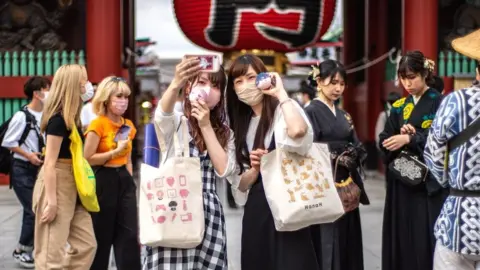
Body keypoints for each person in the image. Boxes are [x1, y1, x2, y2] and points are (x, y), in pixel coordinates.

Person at [144, 57, 237, 269]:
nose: (208, 90)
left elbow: (224, 169)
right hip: (173, 209)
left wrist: (205, 126)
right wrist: (176, 81)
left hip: (208, 215)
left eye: (215, 85)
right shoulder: (177, 122)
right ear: (189, 88)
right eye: (202, 82)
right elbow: (161, 115)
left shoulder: (224, 132)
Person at [225, 54, 315, 270]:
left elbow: (298, 131)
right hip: (258, 207)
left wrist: (281, 93)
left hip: (289, 201)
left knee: (291, 261)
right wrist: (255, 169)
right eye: (238, 82)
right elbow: (240, 184)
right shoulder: (239, 125)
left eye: (250, 78)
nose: (245, 86)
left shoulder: (284, 109)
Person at [379, 51, 448, 270]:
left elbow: (445, 139)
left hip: (426, 184)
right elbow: (384, 138)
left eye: (412, 77)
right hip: (401, 181)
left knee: (423, 235)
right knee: (402, 235)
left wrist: (411, 137)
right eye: (403, 77)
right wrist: (395, 139)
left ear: (425, 74)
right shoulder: (399, 106)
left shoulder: (440, 102)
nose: (407, 83)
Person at [305, 60, 369, 270]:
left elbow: (358, 144)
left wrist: (354, 152)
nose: (338, 88)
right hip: (323, 184)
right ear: (319, 81)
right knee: (326, 237)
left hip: (345, 183)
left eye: (342, 84)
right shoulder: (310, 111)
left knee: (345, 237)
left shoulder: (344, 115)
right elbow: (309, 147)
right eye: (333, 82)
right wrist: (335, 154)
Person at [424, 29, 480, 270]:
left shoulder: (455, 101)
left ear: (477, 70)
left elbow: (433, 153)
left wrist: (452, 181)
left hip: (460, 216)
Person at [32, 64, 97, 270]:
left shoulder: (72, 118)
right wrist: (51, 202)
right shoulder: (58, 120)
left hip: (74, 181)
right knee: (51, 252)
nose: (87, 85)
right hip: (57, 181)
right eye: (83, 81)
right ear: (72, 84)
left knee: (87, 245)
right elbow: (50, 162)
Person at [83, 76, 140, 270]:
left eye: (126, 96)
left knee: (130, 233)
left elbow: (129, 157)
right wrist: (113, 152)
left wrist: (129, 177)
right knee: (102, 234)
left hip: (124, 178)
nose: (123, 101)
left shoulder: (129, 126)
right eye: (119, 96)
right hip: (103, 179)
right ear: (107, 99)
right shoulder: (97, 124)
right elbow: (87, 157)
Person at [2, 76, 50, 268]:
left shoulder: (46, 114)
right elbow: (8, 142)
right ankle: (22, 249)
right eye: (48, 89)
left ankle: (32, 248)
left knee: (35, 208)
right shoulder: (22, 116)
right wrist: (28, 155)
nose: (50, 92)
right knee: (33, 209)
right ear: (37, 93)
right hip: (21, 168)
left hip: (38, 167)